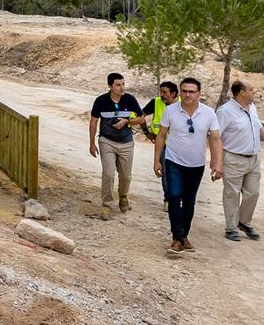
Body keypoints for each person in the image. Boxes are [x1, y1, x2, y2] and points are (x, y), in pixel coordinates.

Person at [152, 77, 222, 255]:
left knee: (189, 201)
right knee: (174, 196)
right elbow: (161, 136)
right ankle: (177, 238)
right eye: (184, 91)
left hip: (196, 164)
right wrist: (156, 160)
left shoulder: (208, 113)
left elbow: (214, 139)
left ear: (199, 93)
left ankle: (184, 236)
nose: (187, 94)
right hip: (174, 161)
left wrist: (217, 162)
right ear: (180, 92)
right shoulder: (170, 111)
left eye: (192, 91)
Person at [215, 81, 264, 241]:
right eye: (251, 89)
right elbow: (215, 136)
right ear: (241, 93)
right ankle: (231, 227)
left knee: (253, 193)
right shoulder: (225, 111)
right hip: (233, 158)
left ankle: (244, 222)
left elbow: (258, 126)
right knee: (231, 193)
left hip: (253, 158)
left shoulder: (252, 107)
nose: (255, 91)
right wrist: (217, 161)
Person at [87, 72, 145, 217]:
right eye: (118, 85)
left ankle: (123, 197)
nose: (122, 87)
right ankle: (107, 204)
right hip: (106, 141)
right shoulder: (101, 101)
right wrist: (92, 143)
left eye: (123, 84)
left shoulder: (130, 100)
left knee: (126, 176)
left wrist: (127, 121)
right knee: (108, 173)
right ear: (110, 86)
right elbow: (93, 122)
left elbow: (142, 119)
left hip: (126, 143)